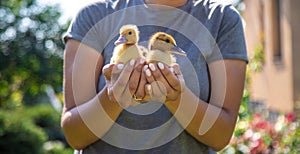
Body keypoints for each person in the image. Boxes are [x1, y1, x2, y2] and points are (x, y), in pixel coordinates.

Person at [61, 0, 248, 153]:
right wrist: (112, 99)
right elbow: (74, 135)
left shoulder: (221, 19)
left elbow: (220, 137)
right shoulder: (94, 16)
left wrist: (176, 98)